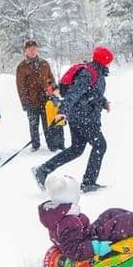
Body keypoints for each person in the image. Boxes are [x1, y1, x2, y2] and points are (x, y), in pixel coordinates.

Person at [32, 46, 114, 193]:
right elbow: (73, 94)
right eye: (109, 61)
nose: (110, 64)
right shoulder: (88, 74)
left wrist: (103, 102)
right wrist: (62, 111)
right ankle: (88, 182)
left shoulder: (96, 72)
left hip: (81, 116)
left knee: (77, 149)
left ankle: (43, 170)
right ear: (104, 61)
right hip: (84, 117)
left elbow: (92, 93)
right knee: (100, 145)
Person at [38, 175, 133, 261]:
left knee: (111, 212)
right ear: (69, 196)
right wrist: (96, 248)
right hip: (94, 241)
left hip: (89, 234)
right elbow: (73, 250)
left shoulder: (59, 211)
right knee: (128, 220)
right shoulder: (68, 221)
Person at [16, 40, 63, 152]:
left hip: (46, 100)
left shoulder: (44, 63)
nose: (32, 51)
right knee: (34, 125)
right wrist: (25, 103)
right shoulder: (22, 67)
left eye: (34, 48)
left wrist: (55, 88)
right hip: (31, 101)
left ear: (37, 49)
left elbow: (51, 79)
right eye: (30, 49)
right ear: (25, 51)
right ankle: (35, 145)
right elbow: (20, 87)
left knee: (48, 123)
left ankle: (51, 144)